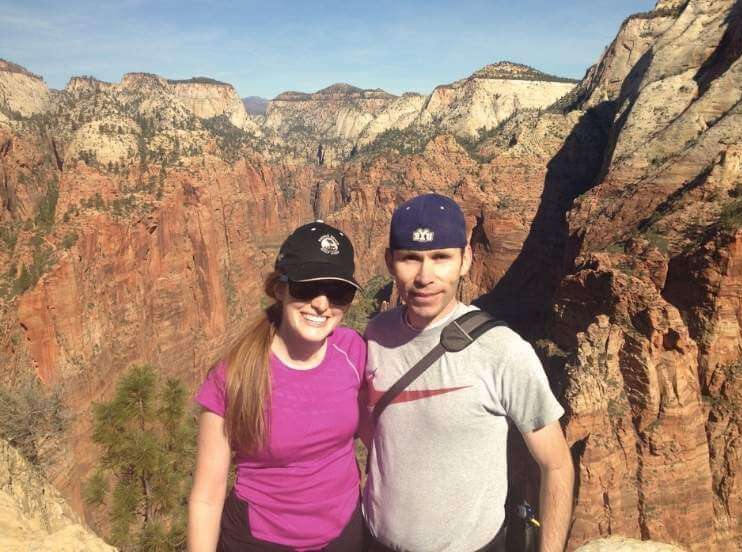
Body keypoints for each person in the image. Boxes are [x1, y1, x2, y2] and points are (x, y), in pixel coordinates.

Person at [362, 193, 574, 552]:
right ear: (390, 262)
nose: (425, 276)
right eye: (411, 258)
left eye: (441, 257)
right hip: (375, 543)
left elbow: (556, 465)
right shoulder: (375, 335)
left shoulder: (504, 352)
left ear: (466, 260)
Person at [188, 220, 366, 552]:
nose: (322, 304)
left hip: (345, 533)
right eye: (306, 288)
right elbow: (207, 497)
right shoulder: (235, 375)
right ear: (280, 288)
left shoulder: (353, 351)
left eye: (338, 293)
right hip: (261, 540)